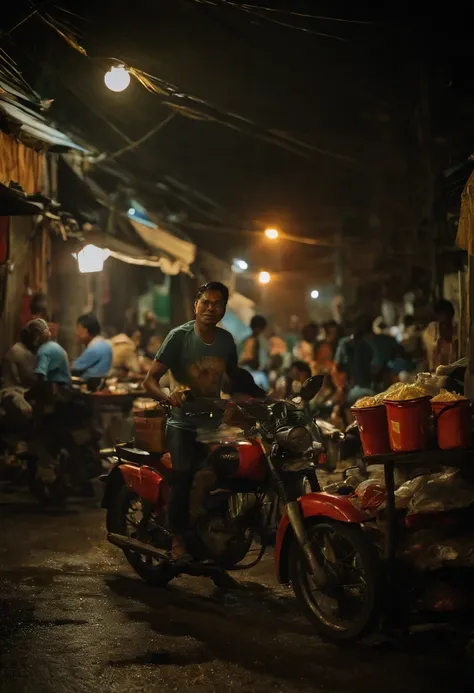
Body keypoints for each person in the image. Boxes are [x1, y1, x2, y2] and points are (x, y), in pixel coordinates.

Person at [143, 281, 264, 560]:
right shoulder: (179, 337)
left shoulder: (225, 341)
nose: (211, 308)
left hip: (214, 426)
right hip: (183, 423)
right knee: (183, 478)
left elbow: (236, 380)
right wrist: (167, 396)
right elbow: (149, 380)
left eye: (217, 303)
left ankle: (215, 540)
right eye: (205, 303)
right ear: (195, 306)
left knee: (231, 476)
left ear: (224, 308)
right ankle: (176, 538)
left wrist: (265, 399)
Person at [334, 316, 377, 408]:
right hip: (369, 390)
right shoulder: (369, 343)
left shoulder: (344, 344)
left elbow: (337, 367)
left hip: (354, 390)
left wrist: (341, 389)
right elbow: (375, 367)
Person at [73, 313, 112, 380]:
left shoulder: (96, 347)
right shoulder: (102, 343)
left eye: (79, 329)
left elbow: (74, 367)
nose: (77, 333)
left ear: (86, 330)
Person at [423, 299, 459, 371]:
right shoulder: (432, 330)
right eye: (441, 315)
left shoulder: (458, 332)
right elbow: (429, 347)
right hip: (435, 374)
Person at [239, 315, 269, 390]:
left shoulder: (252, 340)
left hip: (252, 372)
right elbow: (246, 358)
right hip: (250, 372)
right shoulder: (252, 341)